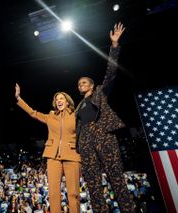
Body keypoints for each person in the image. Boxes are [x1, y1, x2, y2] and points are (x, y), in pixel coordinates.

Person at [75, 22, 136, 212]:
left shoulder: (100, 92)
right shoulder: (77, 107)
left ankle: (128, 209)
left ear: (92, 85)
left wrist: (115, 46)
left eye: (84, 82)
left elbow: (111, 73)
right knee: (92, 181)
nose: (80, 84)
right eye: (78, 84)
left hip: (102, 133)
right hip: (85, 139)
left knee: (115, 175)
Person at [15, 83, 81, 213]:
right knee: (53, 193)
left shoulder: (76, 115)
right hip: (53, 157)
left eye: (61, 99)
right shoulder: (51, 116)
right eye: (57, 100)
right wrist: (18, 98)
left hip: (72, 155)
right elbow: (33, 113)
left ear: (67, 102)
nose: (59, 101)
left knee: (73, 193)